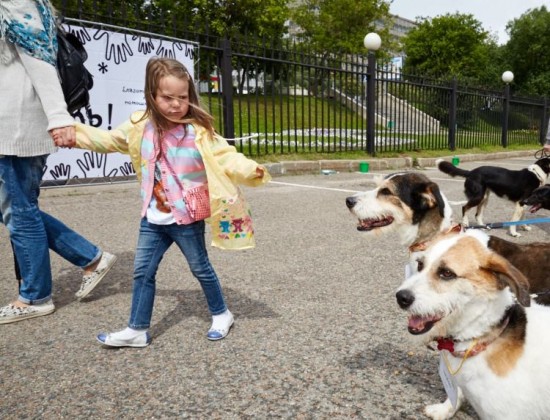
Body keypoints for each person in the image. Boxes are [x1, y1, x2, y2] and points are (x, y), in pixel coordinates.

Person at [73, 57, 271, 347]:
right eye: (168, 97)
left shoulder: (197, 132)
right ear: (151, 95)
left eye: (183, 97)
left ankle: (222, 313)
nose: (176, 104)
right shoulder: (139, 126)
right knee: (142, 272)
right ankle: (137, 329)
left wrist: (250, 170)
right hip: (152, 219)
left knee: (200, 267)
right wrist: (73, 134)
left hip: (186, 218)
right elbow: (109, 140)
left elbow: (227, 156)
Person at [0, 0, 117, 324]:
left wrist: (58, 117)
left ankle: (35, 296)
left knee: (20, 211)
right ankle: (90, 258)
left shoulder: (18, 4)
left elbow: (40, 63)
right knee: (17, 210)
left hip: (17, 128)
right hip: (8, 127)